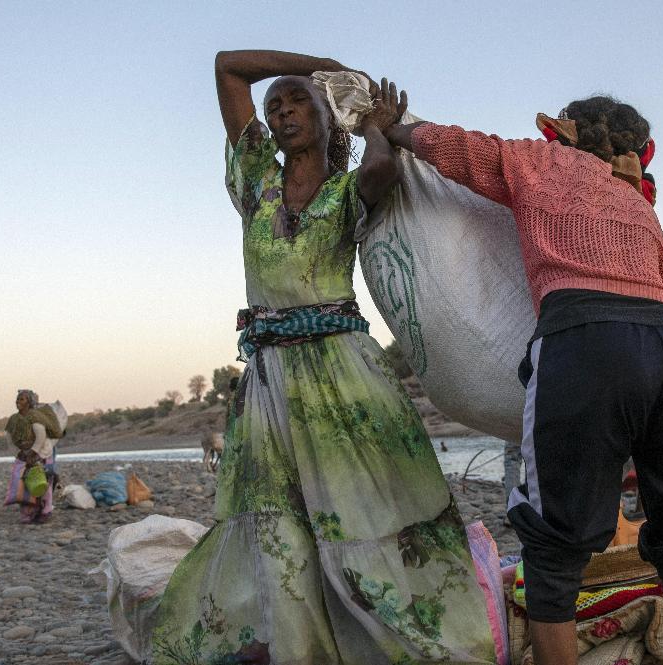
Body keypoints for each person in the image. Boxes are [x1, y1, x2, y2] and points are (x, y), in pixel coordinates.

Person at [150, 51, 496, 664]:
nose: (283, 113)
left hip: (343, 373)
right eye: (274, 106)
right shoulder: (254, 180)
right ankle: (300, 643)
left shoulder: (345, 189)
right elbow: (228, 66)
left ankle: (390, 629)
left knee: (368, 507)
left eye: (297, 101)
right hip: (268, 382)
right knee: (278, 520)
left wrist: (369, 126)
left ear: (325, 114)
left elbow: (385, 174)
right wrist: (320, 66)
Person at [385, 97, 663, 664]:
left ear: (564, 132)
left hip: (586, 343)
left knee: (555, 549)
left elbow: (448, 147)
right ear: (633, 147)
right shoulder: (637, 196)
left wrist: (391, 127)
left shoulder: (535, 163)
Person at [3, 389, 57, 525]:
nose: (18, 402)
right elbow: (9, 439)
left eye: (21, 399)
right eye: (17, 399)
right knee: (23, 483)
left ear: (29, 402)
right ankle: (28, 513)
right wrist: (18, 453)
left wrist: (33, 453)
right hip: (23, 454)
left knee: (42, 481)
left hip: (42, 453)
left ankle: (45, 511)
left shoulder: (36, 417)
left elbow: (41, 436)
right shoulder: (13, 419)